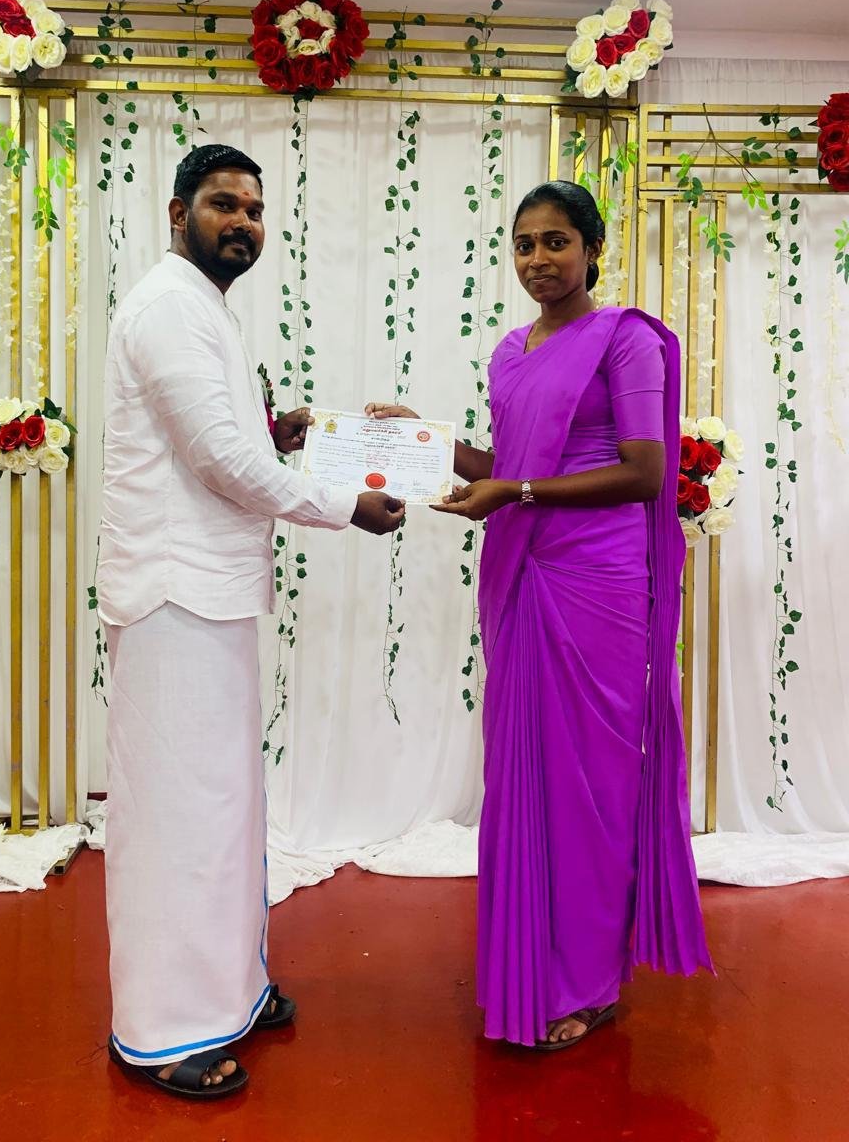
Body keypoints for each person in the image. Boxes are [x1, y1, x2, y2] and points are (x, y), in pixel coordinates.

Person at [367, 180, 711, 1049]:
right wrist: (424, 439)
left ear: (593, 248)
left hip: (598, 585)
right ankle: (536, 969)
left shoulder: (628, 341)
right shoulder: (510, 352)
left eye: (556, 242)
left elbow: (644, 472)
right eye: (524, 244)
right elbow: (506, 465)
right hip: (523, 577)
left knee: (592, 782)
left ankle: (588, 982)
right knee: (530, 778)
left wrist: (516, 493)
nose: (538, 260)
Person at [98, 143, 405, 1098]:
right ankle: (162, 1029)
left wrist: (281, 433)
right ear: (177, 212)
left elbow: (224, 441)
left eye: (254, 210)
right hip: (172, 595)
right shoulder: (166, 307)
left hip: (211, 592)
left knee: (223, 806)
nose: (242, 222)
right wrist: (343, 505)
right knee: (176, 817)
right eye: (223, 204)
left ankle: (231, 987)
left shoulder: (205, 307)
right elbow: (219, 463)